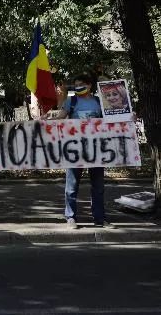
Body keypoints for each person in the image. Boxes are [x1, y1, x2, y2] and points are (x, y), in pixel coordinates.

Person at [47, 73, 112, 229]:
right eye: (75, 85)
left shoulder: (99, 102)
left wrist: (130, 117)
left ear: (89, 85)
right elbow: (61, 117)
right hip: (75, 150)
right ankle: (70, 217)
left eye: (81, 85)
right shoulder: (72, 101)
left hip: (97, 150)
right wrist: (46, 122)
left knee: (98, 186)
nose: (78, 88)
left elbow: (112, 119)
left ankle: (99, 218)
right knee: (71, 186)